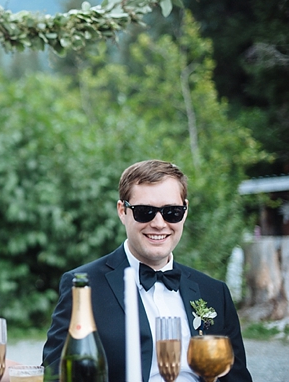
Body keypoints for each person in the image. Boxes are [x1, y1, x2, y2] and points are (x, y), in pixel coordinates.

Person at [42, 160, 252, 382]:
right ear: (122, 211)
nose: (159, 223)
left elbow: (236, 378)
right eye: (145, 212)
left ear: (185, 211)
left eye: (172, 212)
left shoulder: (214, 292)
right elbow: (55, 374)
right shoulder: (84, 285)